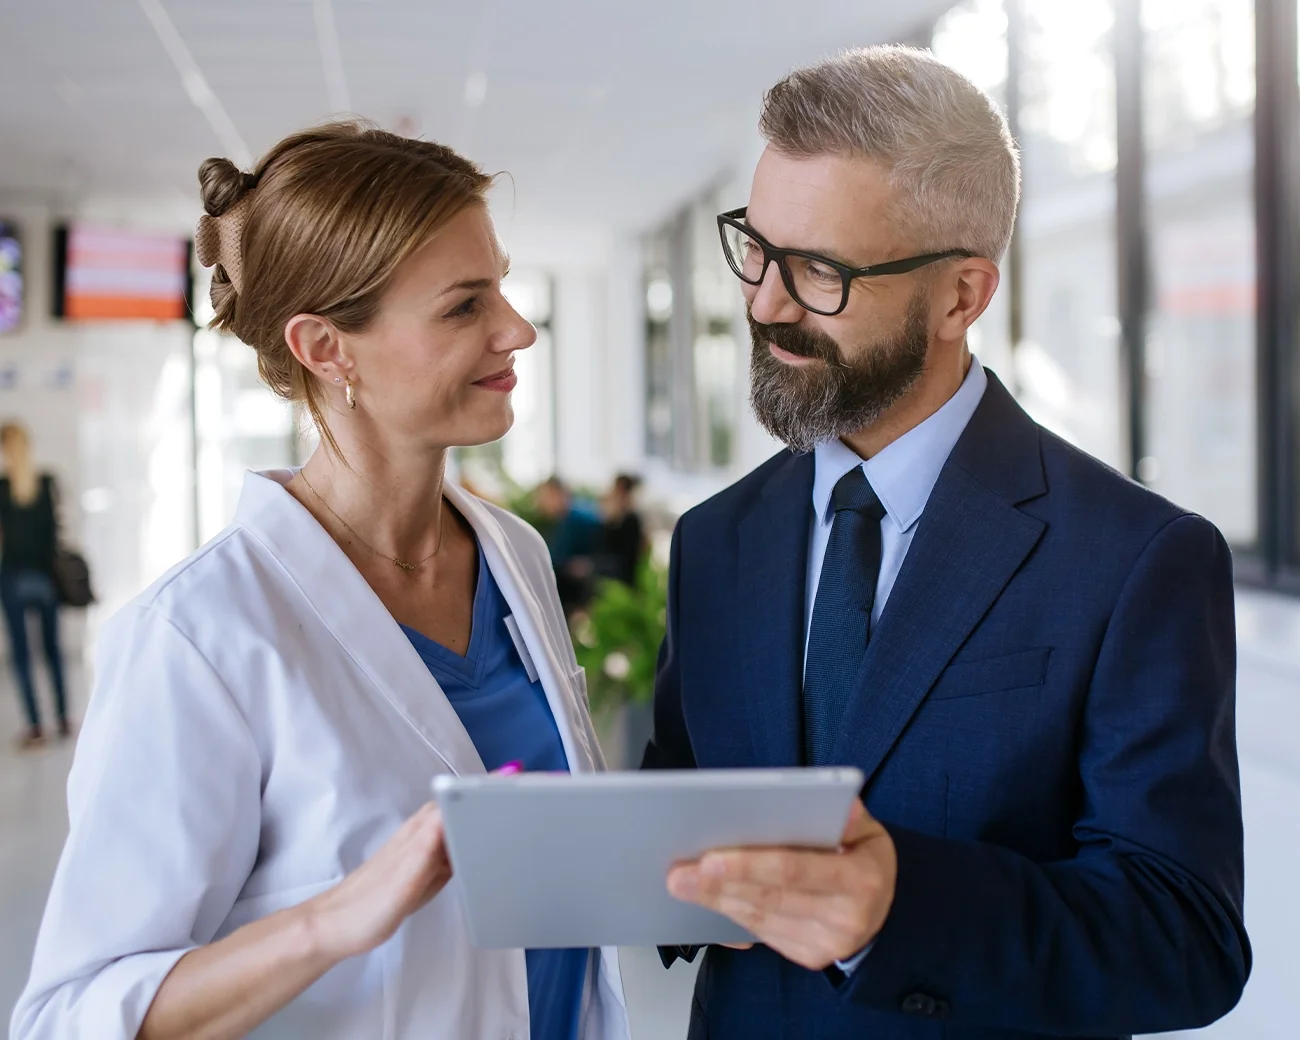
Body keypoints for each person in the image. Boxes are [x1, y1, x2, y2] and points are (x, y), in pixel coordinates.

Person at [645, 46, 1249, 1039]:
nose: (762, 303)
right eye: (756, 247)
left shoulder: (1136, 557)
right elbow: (681, 811)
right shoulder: (717, 540)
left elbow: (1185, 937)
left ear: (962, 297)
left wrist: (898, 910)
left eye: (819, 272)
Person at [13, 123, 629, 1040]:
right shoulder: (198, 635)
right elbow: (66, 1015)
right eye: (464, 306)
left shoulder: (513, 555)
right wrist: (330, 922)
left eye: (501, 284)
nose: (518, 328)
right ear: (327, 348)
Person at [0, 422, 71, 749]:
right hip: (46, 578)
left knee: (22, 655)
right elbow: (55, 533)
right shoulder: (46, 482)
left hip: (13, 577)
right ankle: (63, 719)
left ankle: (35, 728)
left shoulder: (2, 487)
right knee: (53, 651)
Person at [535, 476, 604, 614]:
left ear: (557, 494)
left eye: (546, 497)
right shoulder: (563, 521)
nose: (542, 503)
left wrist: (591, 564)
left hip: (583, 590)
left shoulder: (583, 519)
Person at [596, 474, 646, 587]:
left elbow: (627, 556)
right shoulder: (611, 516)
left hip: (620, 575)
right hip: (607, 567)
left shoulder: (631, 520)